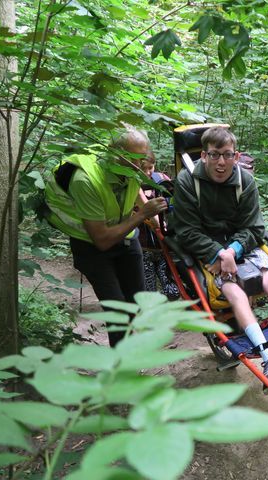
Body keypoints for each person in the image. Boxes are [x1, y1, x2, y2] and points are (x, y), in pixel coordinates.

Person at [169, 126, 268, 391]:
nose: (221, 162)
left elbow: (255, 227)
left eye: (226, 155)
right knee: (234, 292)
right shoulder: (187, 181)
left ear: (236, 156)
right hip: (208, 248)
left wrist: (232, 250)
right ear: (204, 155)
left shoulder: (244, 180)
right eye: (214, 155)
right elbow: (186, 231)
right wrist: (218, 253)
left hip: (240, 243)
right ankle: (267, 357)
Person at [45, 127, 168, 347]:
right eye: (135, 160)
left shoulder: (132, 168)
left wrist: (152, 217)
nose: (141, 167)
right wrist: (143, 214)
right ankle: (122, 371)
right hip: (92, 247)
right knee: (119, 311)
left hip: (126, 239)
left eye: (143, 159)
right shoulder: (86, 180)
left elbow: (134, 184)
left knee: (137, 304)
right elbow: (101, 240)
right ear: (115, 155)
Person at [138, 154, 180, 299]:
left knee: (173, 290)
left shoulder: (161, 180)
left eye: (151, 167)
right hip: (143, 247)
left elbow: (174, 202)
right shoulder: (132, 185)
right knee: (149, 289)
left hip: (163, 245)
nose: (148, 172)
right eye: (144, 169)